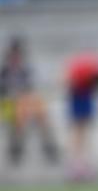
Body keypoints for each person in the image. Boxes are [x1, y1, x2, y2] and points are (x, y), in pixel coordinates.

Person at [0, 37, 59, 165]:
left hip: (23, 103)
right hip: (7, 104)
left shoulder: (26, 70)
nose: (15, 57)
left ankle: (48, 146)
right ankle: (15, 147)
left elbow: (30, 90)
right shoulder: (4, 71)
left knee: (39, 111)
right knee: (15, 116)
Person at [65, 51, 98, 181]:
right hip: (78, 97)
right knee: (78, 132)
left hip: (84, 97)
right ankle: (76, 165)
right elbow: (68, 81)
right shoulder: (79, 70)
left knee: (83, 132)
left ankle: (82, 164)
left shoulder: (88, 69)